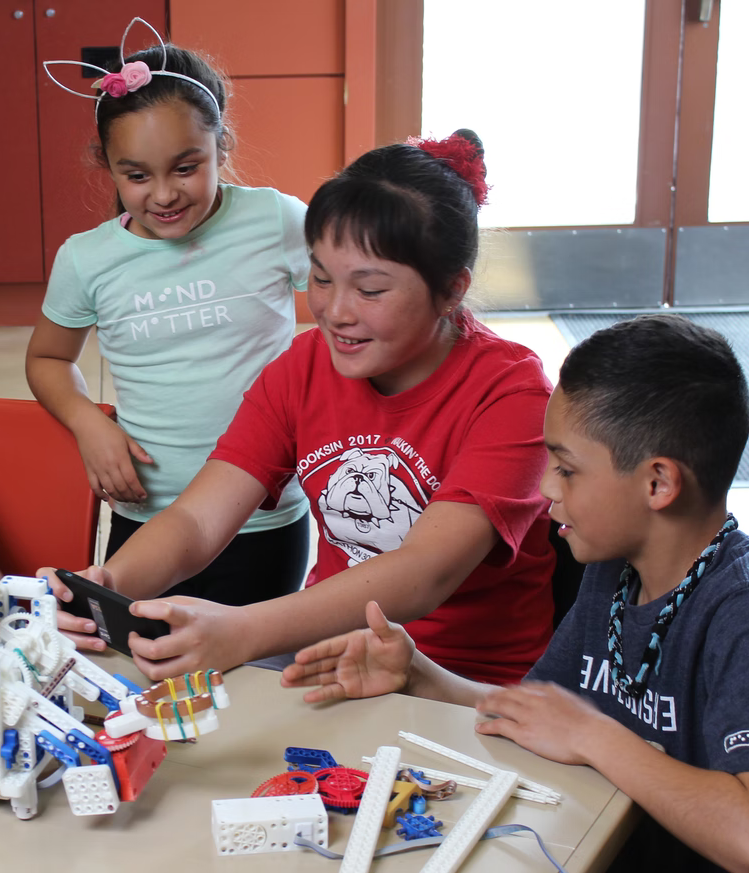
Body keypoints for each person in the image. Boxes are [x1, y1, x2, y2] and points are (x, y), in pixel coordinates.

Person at [283, 314, 749, 872]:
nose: (544, 488)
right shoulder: (614, 571)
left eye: (566, 469)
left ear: (658, 483)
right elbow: (541, 713)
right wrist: (420, 674)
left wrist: (593, 735)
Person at [53, 130, 556, 684]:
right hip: (329, 659)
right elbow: (198, 519)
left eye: (369, 290)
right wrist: (109, 583)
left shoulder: (512, 394)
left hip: (465, 685)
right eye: (320, 277)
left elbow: (424, 572)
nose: (334, 311)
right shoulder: (304, 366)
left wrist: (243, 630)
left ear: (451, 289)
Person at [27, 23, 313, 609]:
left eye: (186, 168)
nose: (163, 194)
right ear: (107, 168)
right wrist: (89, 423)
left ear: (221, 147)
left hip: (264, 517)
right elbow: (48, 358)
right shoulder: (87, 258)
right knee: (148, 682)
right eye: (137, 176)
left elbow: (350, 308)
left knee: (255, 681)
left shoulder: (277, 220)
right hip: (148, 518)